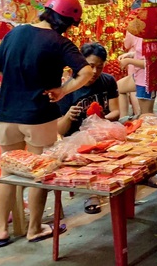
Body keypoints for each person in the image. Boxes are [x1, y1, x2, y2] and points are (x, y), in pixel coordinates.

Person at [0, 0, 94, 247]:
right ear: (66, 22)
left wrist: (17, 85)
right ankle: (34, 228)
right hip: (39, 115)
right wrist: (63, 90)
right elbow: (87, 71)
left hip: (7, 114)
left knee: (7, 172)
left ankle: (3, 231)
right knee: (39, 173)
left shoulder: (15, 33)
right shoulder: (60, 43)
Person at [57, 42, 119, 214]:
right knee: (88, 152)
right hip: (76, 140)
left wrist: (101, 120)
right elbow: (60, 131)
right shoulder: (67, 89)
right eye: (90, 66)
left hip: (103, 133)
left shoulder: (108, 81)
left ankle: (140, 178)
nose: (94, 72)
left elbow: (116, 112)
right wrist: (69, 116)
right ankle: (91, 194)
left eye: (99, 67)